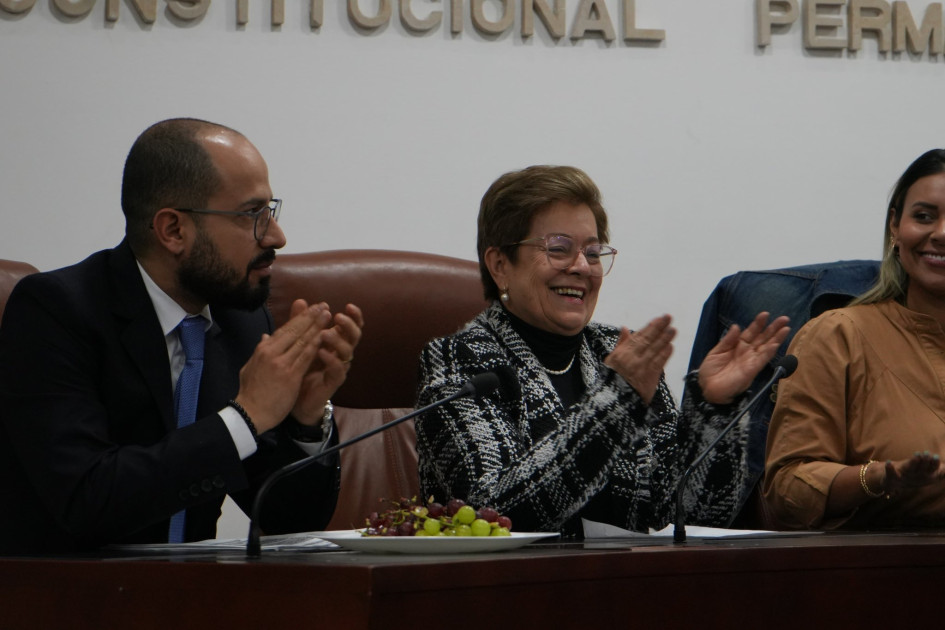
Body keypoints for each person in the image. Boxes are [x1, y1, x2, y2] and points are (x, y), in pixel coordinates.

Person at [0, 118, 364, 553]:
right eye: (252, 214)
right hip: (67, 600)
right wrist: (244, 418)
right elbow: (87, 499)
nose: (276, 236)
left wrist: (304, 422)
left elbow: (288, 518)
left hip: (192, 599)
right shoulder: (56, 312)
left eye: (271, 210)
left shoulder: (242, 323)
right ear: (173, 230)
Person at [415, 165, 789, 535]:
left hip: (624, 585)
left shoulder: (617, 352)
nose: (582, 267)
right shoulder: (461, 363)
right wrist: (614, 404)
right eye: (559, 249)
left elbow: (687, 517)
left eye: (593, 253)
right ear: (500, 265)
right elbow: (491, 512)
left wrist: (714, 409)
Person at [764, 149, 945, 530]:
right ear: (895, 226)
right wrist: (877, 477)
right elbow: (786, 491)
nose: (941, 233)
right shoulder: (838, 336)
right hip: (884, 572)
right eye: (924, 216)